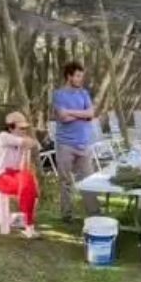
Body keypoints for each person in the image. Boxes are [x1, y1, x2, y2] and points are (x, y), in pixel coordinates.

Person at [51, 62, 100, 222]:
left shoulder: (84, 93)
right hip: (65, 144)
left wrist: (71, 112)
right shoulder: (59, 95)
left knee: (89, 180)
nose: (80, 79)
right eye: (78, 76)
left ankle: (94, 214)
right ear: (69, 76)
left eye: (81, 76)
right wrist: (82, 115)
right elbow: (63, 118)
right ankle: (67, 215)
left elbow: (91, 113)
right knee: (66, 181)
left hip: (84, 144)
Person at [0, 111, 42, 239]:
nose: (24, 131)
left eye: (25, 128)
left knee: (29, 181)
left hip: (13, 176)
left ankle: (27, 222)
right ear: (11, 127)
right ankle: (27, 223)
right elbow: (33, 143)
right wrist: (29, 143)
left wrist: (25, 152)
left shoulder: (21, 142)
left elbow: (23, 168)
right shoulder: (3, 137)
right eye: (21, 128)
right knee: (28, 182)